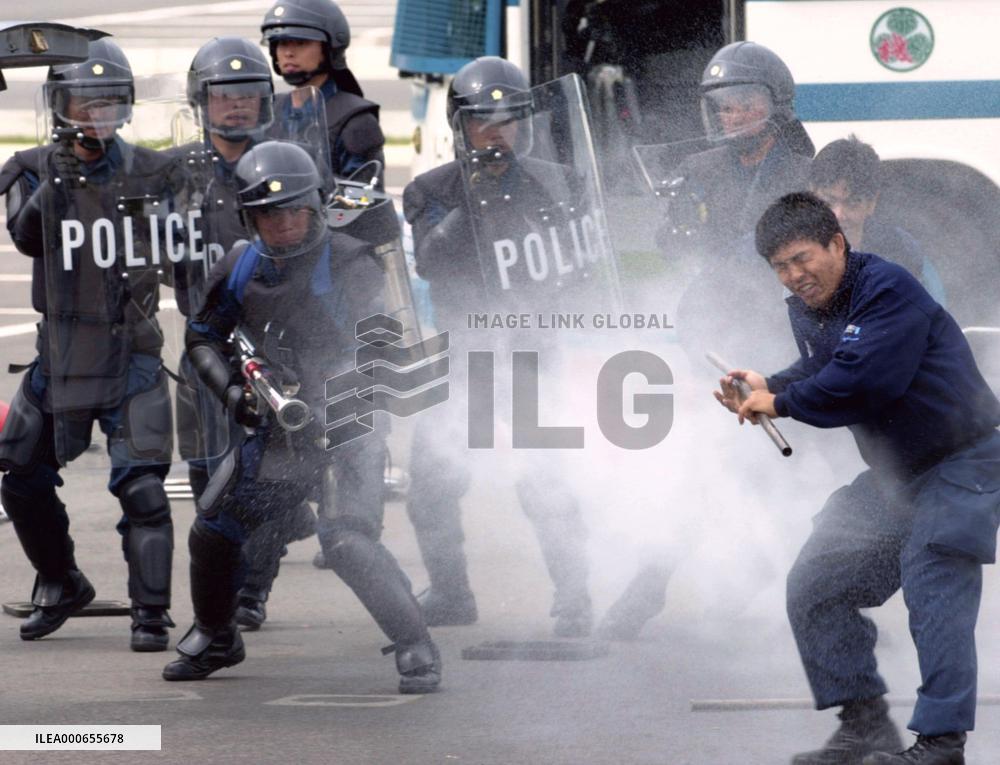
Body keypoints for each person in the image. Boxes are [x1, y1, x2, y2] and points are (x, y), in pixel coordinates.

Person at [715, 191, 1000, 764]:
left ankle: (942, 747)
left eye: (802, 258)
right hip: (897, 474)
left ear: (837, 243)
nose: (794, 276)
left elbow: (862, 383)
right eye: (780, 267)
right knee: (816, 582)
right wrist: (763, 382)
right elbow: (825, 368)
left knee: (932, 592)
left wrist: (779, 402)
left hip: (961, 462)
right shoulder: (805, 306)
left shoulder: (889, 291)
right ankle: (864, 725)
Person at [161, 141, 441, 694]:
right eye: (268, 213)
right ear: (249, 216)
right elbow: (202, 337)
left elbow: (385, 349)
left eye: (293, 209)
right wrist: (234, 395)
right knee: (213, 530)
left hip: (347, 425)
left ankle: (417, 644)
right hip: (277, 428)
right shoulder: (241, 263)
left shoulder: (352, 262)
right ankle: (218, 637)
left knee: (345, 541)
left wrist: (333, 399)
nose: (283, 223)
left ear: (315, 207)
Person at [0, 39, 184, 651]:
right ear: (60, 105)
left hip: (131, 349)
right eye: (84, 102)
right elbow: (27, 240)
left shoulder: (156, 171)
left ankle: (151, 612)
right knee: (21, 474)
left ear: (127, 106)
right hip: (62, 352)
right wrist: (56, 178)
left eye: (108, 103)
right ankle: (60, 581)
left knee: (144, 487)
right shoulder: (31, 167)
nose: (95, 115)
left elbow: (185, 246)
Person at [401, 56, 593, 637]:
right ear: (461, 126)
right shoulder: (430, 189)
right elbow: (432, 264)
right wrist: (473, 199)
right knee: (431, 485)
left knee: (544, 480)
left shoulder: (557, 180)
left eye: (508, 120)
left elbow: (585, 265)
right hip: (465, 355)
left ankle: (574, 596)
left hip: (532, 349)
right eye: (484, 122)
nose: (496, 132)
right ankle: (453, 593)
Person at [174, 35, 319, 633]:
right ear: (200, 100)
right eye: (224, 95)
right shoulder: (176, 172)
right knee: (212, 478)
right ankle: (229, 584)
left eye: (250, 95)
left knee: (272, 479)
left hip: (276, 349)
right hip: (208, 344)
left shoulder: (286, 162)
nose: (237, 106)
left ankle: (252, 591)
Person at [653, 40, 814, 263]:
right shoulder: (697, 169)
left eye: (747, 106)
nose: (736, 117)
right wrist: (678, 228)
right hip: (713, 290)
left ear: (777, 106)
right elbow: (669, 251)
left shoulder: (805, 176)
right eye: (727, 109)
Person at [809, 135, 946, 305]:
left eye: (852, 203)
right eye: (829, 201)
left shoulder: (901, 249)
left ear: (872, 203)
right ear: (812, 195)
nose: (838, 214)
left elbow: (932, 316)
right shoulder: (788, 250)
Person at [260, 0, 385, 184]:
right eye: (282, 43)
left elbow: (364, 200)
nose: (288, 53)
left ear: (328, 49)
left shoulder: (356, 121)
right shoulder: (270, 110)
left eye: (301, 43)